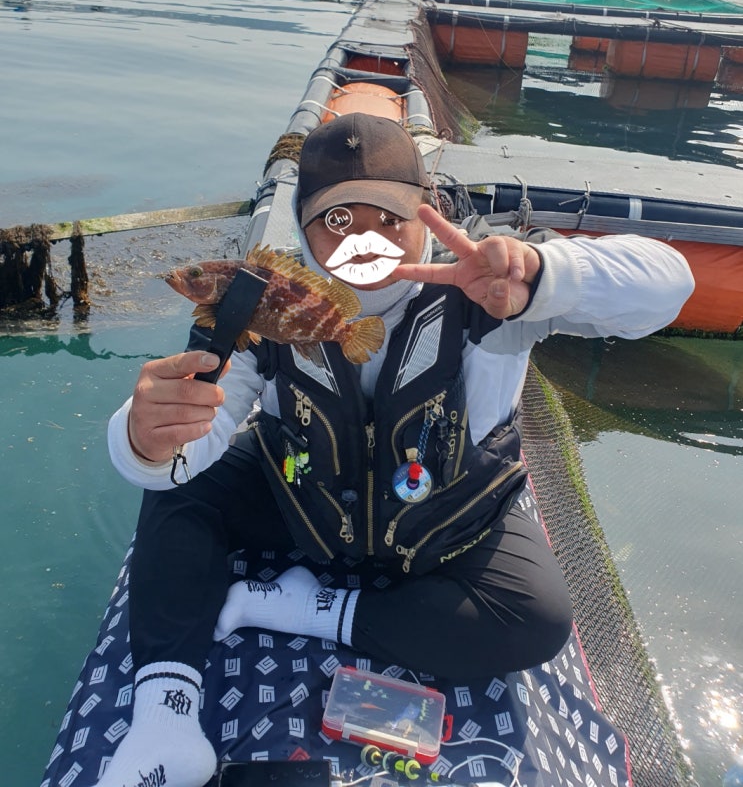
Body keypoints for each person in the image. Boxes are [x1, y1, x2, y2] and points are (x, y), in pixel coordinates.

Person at [98, 112, 694, 787]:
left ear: (427, 211)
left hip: (449, 521)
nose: (367, 239)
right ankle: (166, 716)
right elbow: (189, 443)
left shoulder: (492, 286)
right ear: (301, 226)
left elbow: (668, 285)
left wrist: (540, 272)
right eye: (337, 220)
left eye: (390, 216)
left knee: (537, 620)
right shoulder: (259, 303)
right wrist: (144, 438)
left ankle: (302, 607)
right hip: (303, 502)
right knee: (176, 490)